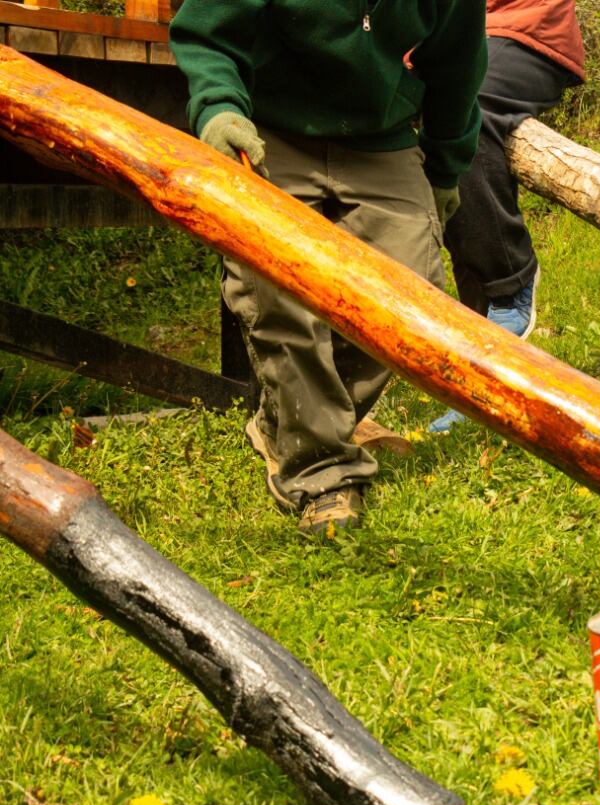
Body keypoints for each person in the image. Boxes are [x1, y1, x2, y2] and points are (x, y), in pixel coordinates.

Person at [168, 0, 486, 535]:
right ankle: (321, 473)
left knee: (410, 303)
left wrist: (446, 168)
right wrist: (219, 108)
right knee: (273, 286)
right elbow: (207, 34)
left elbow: (457, 63)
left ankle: (283, 422)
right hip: (272, 129)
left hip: (383, 140)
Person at [428, 0, 584, 433]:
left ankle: (509, 283)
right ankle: (482, 369)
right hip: (441, 33)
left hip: (524, 30)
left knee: (462, 106)